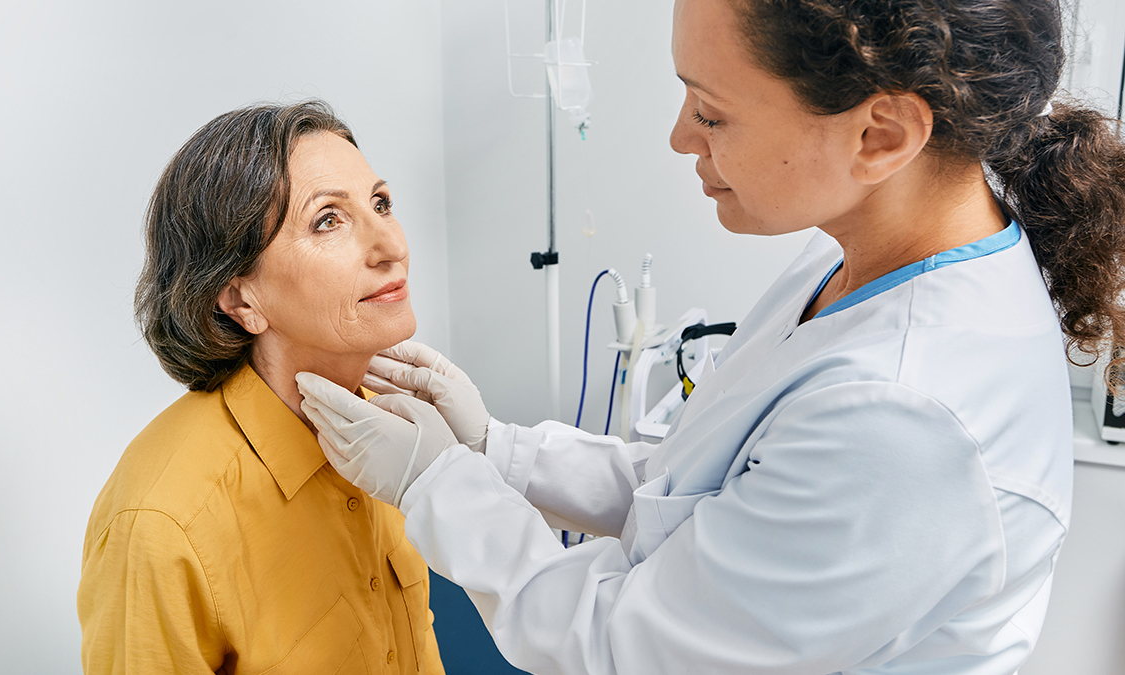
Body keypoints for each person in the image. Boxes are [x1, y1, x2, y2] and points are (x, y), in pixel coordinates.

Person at [296, 0, 1125, 673]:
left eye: (711, 110)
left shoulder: (908, 416)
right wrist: (494, 448)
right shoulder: (858, 255)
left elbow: (623, 648)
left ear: (881, 137)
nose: (680, 136)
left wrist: (436, 483)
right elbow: (691, 490)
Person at [77, 100, 445, 674]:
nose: (392, 247)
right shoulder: (161, 524)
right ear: (240, 299)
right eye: (328, 219)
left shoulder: (385, 434)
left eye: (381, 203)